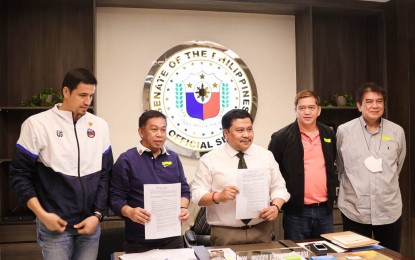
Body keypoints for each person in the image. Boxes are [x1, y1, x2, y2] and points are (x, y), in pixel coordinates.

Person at [9, 68, 113, 260]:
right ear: (66, 92)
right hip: (55, 227)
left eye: (91, 95)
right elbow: (19, 176)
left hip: (89, 226)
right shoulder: (37, 124)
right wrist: (42, 215)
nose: (87, 102)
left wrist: (98, 215)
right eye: (82, 95)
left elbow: (105, 174)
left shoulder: (100, 126)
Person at [191, 109, 290, 246]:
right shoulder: (210, 159)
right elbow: (196, 195)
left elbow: (279, 187)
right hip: (225, 233)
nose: (246, 135)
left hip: (262, 230)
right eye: (240, 130)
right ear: (226, 133)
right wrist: (218, 196)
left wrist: (276, 207)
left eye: (249, 129)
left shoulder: (265, 156)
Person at [336, 82, 406, 252]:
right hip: (355, 209)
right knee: (356, 257)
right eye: (369, 101)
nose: (375, 106)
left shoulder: (397, 131)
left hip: (389, 210)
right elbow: (341, 166)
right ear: (359, 105)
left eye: (379, 101)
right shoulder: (344, 131)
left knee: (390, 257)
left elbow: (398, 166)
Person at [109, 110, 191, 253]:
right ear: (141, 132)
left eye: (163, 129)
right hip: (139, 241)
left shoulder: (173, 158)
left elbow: (184, 189)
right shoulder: (126, 160)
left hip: (173, 239)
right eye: (154, 129)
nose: (159, 134)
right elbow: (115, 198)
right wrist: (130, 212)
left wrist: (183, 207)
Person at [268, 90, 337, 240]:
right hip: (296, 212)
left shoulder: (328, 134)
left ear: (319, 110)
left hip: (324, 211)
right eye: (302, 108)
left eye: (311, 108)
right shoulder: (281, 137)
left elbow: (332, 164)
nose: (307, 112)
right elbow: (271, 172)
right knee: (297, 254)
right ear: (295, 110)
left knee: (326, 255)